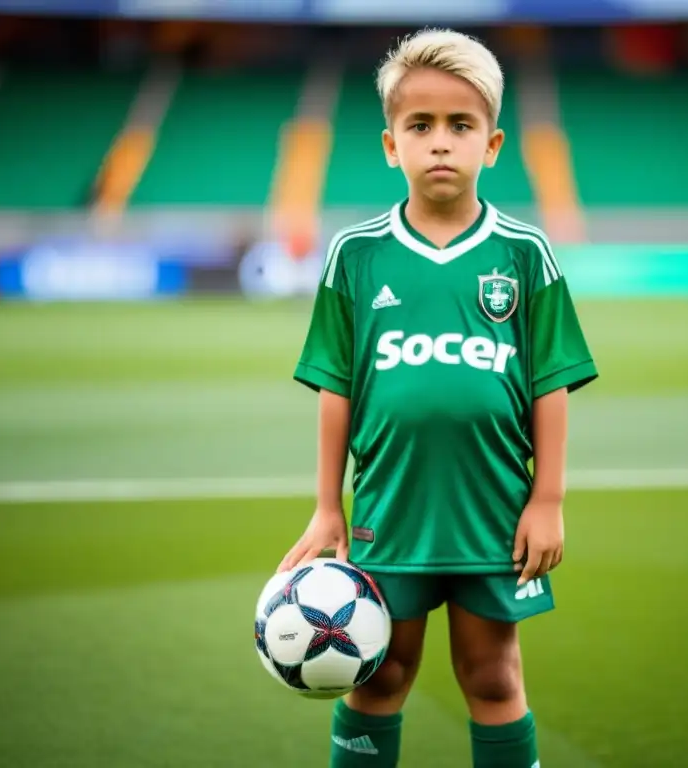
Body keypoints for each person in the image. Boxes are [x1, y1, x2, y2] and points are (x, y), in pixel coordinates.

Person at [279, 28, 598, 768]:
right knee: (381, 671)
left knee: (492, 675)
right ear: (391, 145)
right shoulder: (356, 254)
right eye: (419, 126)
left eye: (462, 125)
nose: (441, 143)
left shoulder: (524, 253)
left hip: (492, 510)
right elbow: (336, 386)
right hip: (390, 509)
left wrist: (546, 499)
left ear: (493, 144)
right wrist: (330, 505)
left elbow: (551, 382)